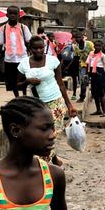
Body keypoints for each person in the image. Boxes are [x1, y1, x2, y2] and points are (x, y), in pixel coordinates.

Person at [17, 36, 78, 164]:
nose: (39, 51)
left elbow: (60, 83)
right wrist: (28, 81)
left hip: (55, 102)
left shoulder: (52, 61)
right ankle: (52, 159)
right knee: (40, 134)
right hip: (35, 105)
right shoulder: (24, 64)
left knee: (52, 134)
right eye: (35, 48)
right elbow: (17, 84)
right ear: (30, 49)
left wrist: (69, 105)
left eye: (41, 48)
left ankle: (45, 165)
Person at [0, 6, 31, 98]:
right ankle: (17, 97)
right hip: (9, 59)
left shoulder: (23, 27)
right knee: (12, 79)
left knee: (23, 78)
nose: (13, 15)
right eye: (11, 13)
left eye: (15, 14)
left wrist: (31, 56)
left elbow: (29, 42)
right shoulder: (3, 28)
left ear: (19, 15)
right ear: (7, 15)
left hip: (23, 58)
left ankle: (25, 95)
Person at [87, 40, 105, 116]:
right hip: (93, 74)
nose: (97, 47)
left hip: (100, 74)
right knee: (94, 93)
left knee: (101, 93)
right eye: (96, 45)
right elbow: (88, 63)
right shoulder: (91, 54)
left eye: (99, 46)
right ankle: (98, 110)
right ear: (94, 46)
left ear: (101, 47)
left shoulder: (102, 55)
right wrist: (88, 73)